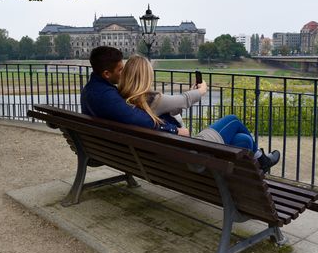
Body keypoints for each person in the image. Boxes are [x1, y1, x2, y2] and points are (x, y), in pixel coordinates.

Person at [117, 54, 280, 172]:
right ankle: (262, 160)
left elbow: (172, 108)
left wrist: (188, 94)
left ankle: (255, 163)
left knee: (243, 140)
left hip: (172, 163)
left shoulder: (125, 100)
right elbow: (184, 100)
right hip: (194, 156)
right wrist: (201, 90)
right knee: (233, 120)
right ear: (146, 76)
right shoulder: (152, 99)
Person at [80, 46, 189, 136]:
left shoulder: (89, 89)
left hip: (100, 145)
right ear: (107, 74)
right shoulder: (106, 96)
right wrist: (174, 130)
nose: (124, 73)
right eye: (120, 70)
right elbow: (137, 118)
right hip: (115, 149)